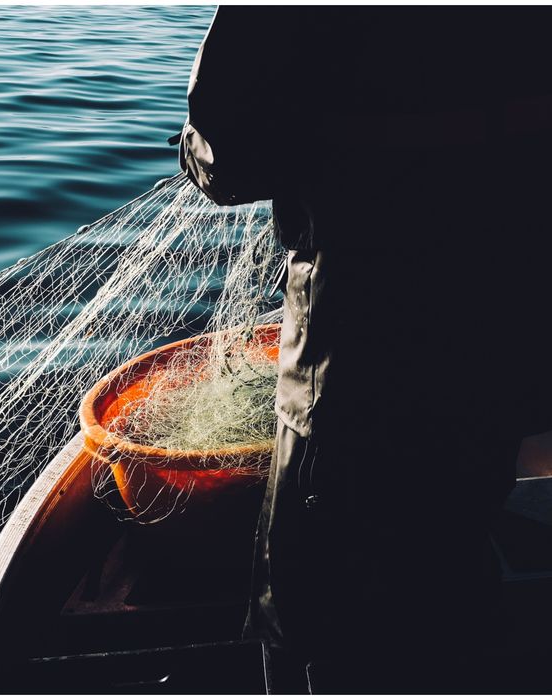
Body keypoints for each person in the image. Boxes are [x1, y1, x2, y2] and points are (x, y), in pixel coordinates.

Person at [178, 6, 552, 693]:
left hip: (360, 347)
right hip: (511, 313)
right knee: (457, 523)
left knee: (322, 590)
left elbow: (226, 154)